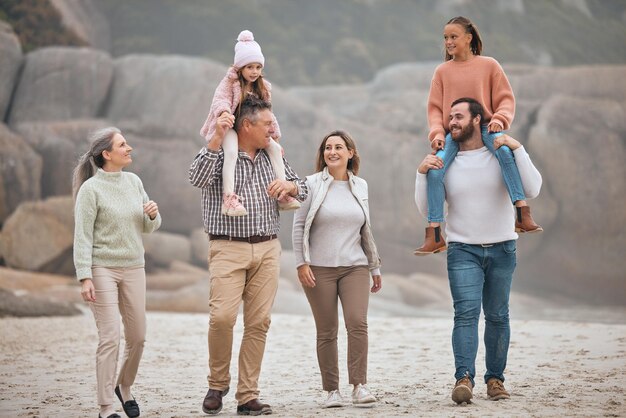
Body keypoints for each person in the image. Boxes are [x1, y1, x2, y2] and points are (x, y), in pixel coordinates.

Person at [415, 97, 542, 404]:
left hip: (502, 247)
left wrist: (518, 148)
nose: (451, 122)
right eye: (449, 117)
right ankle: (464, 378)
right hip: (462, 250)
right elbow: (425, 208)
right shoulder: (447, 160)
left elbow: (533, 188)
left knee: (498, 316)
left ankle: (495, 380)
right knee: (466, 315)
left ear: (476, 119)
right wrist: (421, 174)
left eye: (458, 116)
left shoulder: (499, 155)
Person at [189, 95, 308, 416]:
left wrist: (291, 187)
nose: (273, 128)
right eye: (267, 124)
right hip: (227, 246)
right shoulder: (221, 154)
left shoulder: (274, 155)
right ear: (246, 125)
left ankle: (247, 396)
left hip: (269, 248)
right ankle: (217, 383)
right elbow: (196, 178)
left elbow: (304, 188)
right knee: (222, 318)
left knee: (259, 323)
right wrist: (215, 137)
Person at [415, 16, 542, 256]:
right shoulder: (442, 71)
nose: (448, 42)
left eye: (453, 37)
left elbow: (505, 98)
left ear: (468, 38)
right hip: (454, 132)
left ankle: (522, 213)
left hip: (486, 126)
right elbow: (433, 108)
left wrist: (499, 119)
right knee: (435, 169)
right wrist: (437, 134)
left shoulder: (489, 65)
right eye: (445, 38)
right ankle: (434, 234)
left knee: (505, 153)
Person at [73, 127, 161, 418]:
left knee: (138, 337)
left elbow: (149, 226)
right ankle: (106, 407)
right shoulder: (91, 190)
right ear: (107, 154)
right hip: (102, 269)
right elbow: (82, 236)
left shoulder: (134, 182)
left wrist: (152, 214)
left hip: (135, 267)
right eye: (123, 145)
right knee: (110, 336)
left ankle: (124, 387)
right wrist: (85, 276)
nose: (129, 148)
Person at [292, 130, 382, 409]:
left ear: (350, 153)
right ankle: (332, 390)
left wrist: (374, 266)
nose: (332, 152)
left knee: (357, 323)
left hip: (354, 267)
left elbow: (366, 229)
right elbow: (298, 225)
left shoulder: (361, 186)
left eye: (339, 147)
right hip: (319, 269)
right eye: (328, 147)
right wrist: (301, 262)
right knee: (327, 330)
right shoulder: (310, 184)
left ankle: (359, 385)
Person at [199, 29, 299, 217]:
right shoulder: (230, 81)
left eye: (258, 67)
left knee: (276, 150)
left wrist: (275, 137)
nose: (254, 72)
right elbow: (219, 100)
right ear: (240, 68)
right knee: (231, 152)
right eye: (249, 67)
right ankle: (229, 198)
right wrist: (224, 113)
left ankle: (283, 194)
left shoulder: (264, 87)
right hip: (231, 126)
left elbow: (268, 113)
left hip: (253, 128)